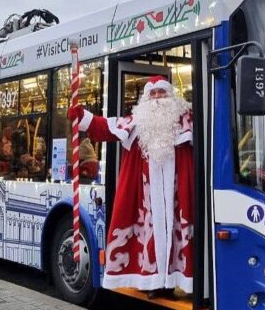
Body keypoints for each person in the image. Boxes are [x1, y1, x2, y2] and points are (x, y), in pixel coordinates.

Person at [73, 76, 194, 298]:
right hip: (145, 197)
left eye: (162, 93)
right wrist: (81, 116)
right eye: (153, 94)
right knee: (149, 237)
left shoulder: (187, 120)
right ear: (146, 99)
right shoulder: (136, 122)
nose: (158, 99)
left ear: (171, 95)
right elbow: (105, 127)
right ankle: (153, 283)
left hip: (178, 195)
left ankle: (177, 282)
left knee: (178, 236)